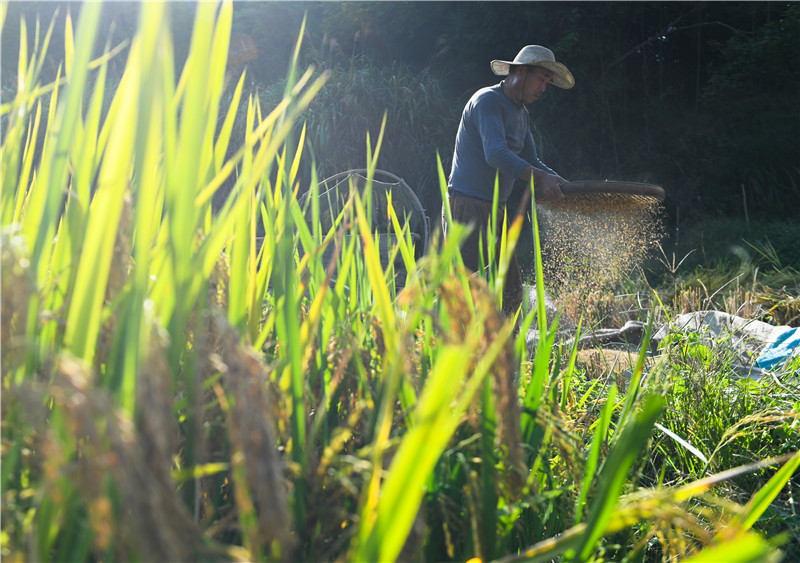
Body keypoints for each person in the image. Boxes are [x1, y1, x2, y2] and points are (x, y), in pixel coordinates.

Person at [442, 44, 574, 321]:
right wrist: (541, 178)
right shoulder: (487, 101)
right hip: (466, 207)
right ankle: (462, 358)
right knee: (470, 292)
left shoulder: (520, 113)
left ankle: (508, 359)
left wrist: (560, 183)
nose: (544, 88)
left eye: (548, 83)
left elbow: (532, 160)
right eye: (541, 79)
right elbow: (496, 154)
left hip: (496, 210)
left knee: (510, 291)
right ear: (521, 72)